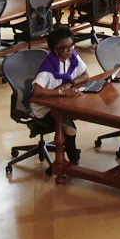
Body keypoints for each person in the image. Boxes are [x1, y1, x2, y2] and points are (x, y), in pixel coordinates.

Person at [30, 25, 91, 163]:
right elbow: (37, 91)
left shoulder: (73, 58)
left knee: (72, 117)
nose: (69, 50)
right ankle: (70, 161)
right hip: (44, 107)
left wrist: (70, 84)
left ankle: (70, 153)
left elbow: (86, 75)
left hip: (61, 102)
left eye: (71, 46)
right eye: (65, 48)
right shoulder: (48, 66)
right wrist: (61, 92)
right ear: (55, 50)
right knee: (69, 127)